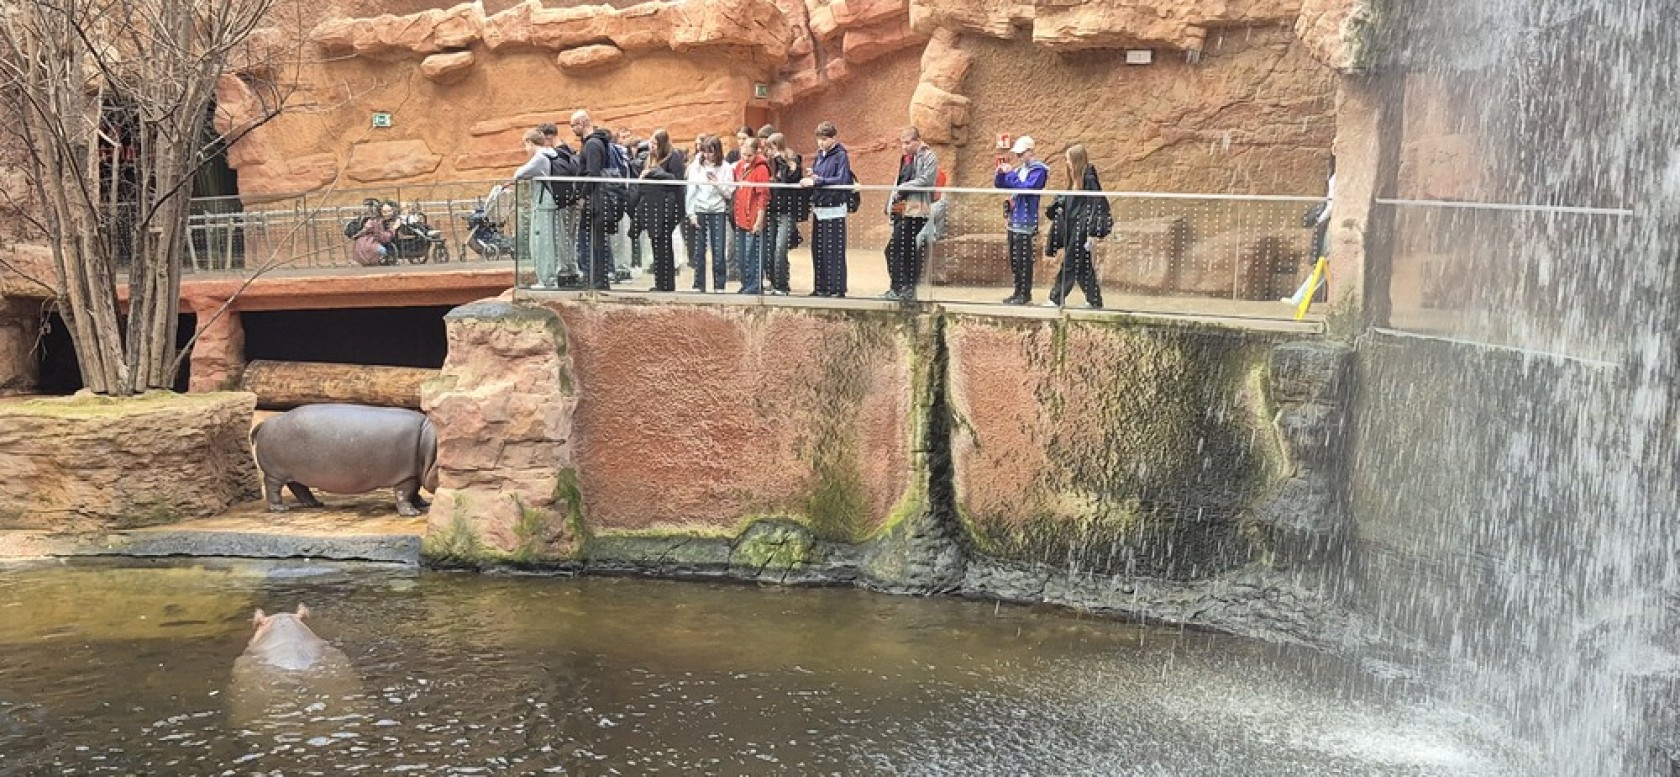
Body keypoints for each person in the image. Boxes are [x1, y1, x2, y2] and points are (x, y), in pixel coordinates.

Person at [1044, 143, 1110, 309]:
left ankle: (1056, 298)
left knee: (1070, 264)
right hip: (1072, 227)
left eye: (1068, 159)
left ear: (1076, 160)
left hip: (1082, 229)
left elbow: (1097, 203)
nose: (1066, 162)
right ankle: (1094, 300)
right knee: (1083, 267)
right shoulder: (1074, 179)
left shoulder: (1088, 178)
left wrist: (1092, 230)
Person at [882, 126, 937, 302]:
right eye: (902, 143)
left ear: (917, 141)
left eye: (907, 143)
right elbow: (899, 181)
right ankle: (900, 288)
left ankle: (902, 288)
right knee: (898, 249)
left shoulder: (928, 156)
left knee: (900, 249)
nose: (904, 147)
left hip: (917, 211)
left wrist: (903, 187)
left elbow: (926, 180)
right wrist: (892, 208)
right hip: (902, 208)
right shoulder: (906, 159)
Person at [994, 135, 1050, 305]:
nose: (1018, 157)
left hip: (1026, 221)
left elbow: (1026, 188)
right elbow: (1001, 185)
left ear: (1030, 152)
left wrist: (1010, 174)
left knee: (1023, 260)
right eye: (1017, 154)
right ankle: (1017, 291)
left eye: (1021, 153)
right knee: (1015, 260)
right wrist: (1000, 174)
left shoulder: (1039, 170)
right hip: (1014, 220)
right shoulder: (1019, 171)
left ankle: (1025, 294)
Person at [800, 121, 852, 298]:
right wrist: (814, 176)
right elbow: (820, 176)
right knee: (818, 248)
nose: (821, 143)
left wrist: (819, 180)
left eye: (824, 139)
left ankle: (837, 287)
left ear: (833, 138)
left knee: (834, 249)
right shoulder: (819, 155)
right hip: (820, 207)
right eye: (819, 139)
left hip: (834, 207)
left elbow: (842, 179)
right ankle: (820, 286)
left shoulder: (840, 155)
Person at [570, 109, 619, 291]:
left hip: (596, 200)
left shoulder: (592, 145)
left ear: (582, 123)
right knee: (597, 241)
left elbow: (593, 173)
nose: (572, 129)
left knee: (596, 241)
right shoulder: (597, 143)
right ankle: (598, 279)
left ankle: (599, 280)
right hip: (598, 198)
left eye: (573, 125)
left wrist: (582, 196)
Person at [636, 129, 687, 292]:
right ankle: (660, 282)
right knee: (656, 245)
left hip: (668, 207)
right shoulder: (650, 158)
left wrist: (653, 173)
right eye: (650, 143)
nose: (651, 147)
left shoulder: (673, 157)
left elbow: (677, 180)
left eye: (655, 144)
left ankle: (667, 283)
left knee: (664, 245)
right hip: (653, 206)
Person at [512, 128, 561, 287]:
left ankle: (547, 280)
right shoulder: (549, 154)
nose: (526, 149)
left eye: (526, 145)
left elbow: (518, 174)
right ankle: (547, 278)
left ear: (530, 143)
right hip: (546, 203)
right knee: (545, 241)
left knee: (542, 242)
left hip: (543, 204)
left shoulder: (540, 157)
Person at [1285, 156, 1336, 307]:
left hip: (1331, 221)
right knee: (1323, 263)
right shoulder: (1335, 175)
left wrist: (1319, 219)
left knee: (1323, 263)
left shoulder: (1338, 177)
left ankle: (1300, 298)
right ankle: (1300, 298)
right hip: (1331, 221)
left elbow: (1331, 204)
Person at [685, 136, 734, 291]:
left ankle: (719, 285)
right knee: (699, 251)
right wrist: (691, 214)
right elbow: (691, 191)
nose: (707, 156)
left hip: (718, 211)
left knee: (718, 250)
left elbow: (729, 193)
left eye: (711, 152)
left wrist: (717, 183)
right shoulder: (696, 167)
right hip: (700, 210)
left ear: (718, 151)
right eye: (705, 152)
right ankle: (698, 284)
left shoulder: (726, 168)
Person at [539, 122, 582, 286]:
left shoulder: (555, 156)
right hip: (574, 200)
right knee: (571, 236)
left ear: (548, 137)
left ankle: (564, 270)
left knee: (562, 237)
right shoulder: (570, 151)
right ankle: (572, 268)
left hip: (562, 202)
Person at [764, 132, 806, 296]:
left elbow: (787, 180)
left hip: (786, 210)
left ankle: (782, 285)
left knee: (780, 247)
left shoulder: (791, 160)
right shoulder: (769, 162)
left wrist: (781, 161)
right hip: (772, 210)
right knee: (770, 248)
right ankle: (773, 282)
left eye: (771, 148)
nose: (769, 152)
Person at [732, 137, 772, 294]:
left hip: (753, 217)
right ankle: (745, 283)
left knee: (752, 254)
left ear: (756, 153)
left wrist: (759, 220)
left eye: (749, 155)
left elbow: (763, 196)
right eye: (743, 154)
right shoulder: (739, 166)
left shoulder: (761, 169)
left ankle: (754, 285)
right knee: (742, 255)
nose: (746, 158)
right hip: (741, 216)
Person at [350, 199, 397, 267]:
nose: (388, 214)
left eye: (389, 211)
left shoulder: (373, 220)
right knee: (383, 251)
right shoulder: (377, 222)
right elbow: (383, 238)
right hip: (368, 247)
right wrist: (393, 229)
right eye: (385, 212)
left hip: (361, 247)